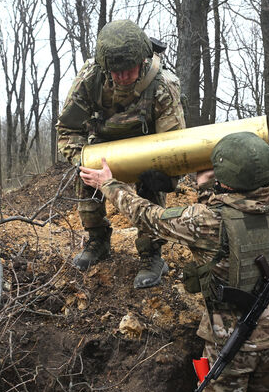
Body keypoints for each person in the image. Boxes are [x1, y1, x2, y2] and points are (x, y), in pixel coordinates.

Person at [79, 132, 269, 392]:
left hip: (229, 345)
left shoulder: (206, 222)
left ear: (226, 179)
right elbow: (232, 210)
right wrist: (208, 185)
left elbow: (150, 216)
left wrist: (109, 184)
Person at [57, 19, 186, 288]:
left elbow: (175, 144)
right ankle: (98, 241)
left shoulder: (162, 86)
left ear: (142, 60)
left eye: (129, 70)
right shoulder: (91, 79)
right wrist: (82, 159)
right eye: (116, 72)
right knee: (87, 172)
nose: (122, 77)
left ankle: (152, 255)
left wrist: (168, 178)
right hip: (103, 144)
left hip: (149, 148)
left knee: (152, 184)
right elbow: (67, 128)